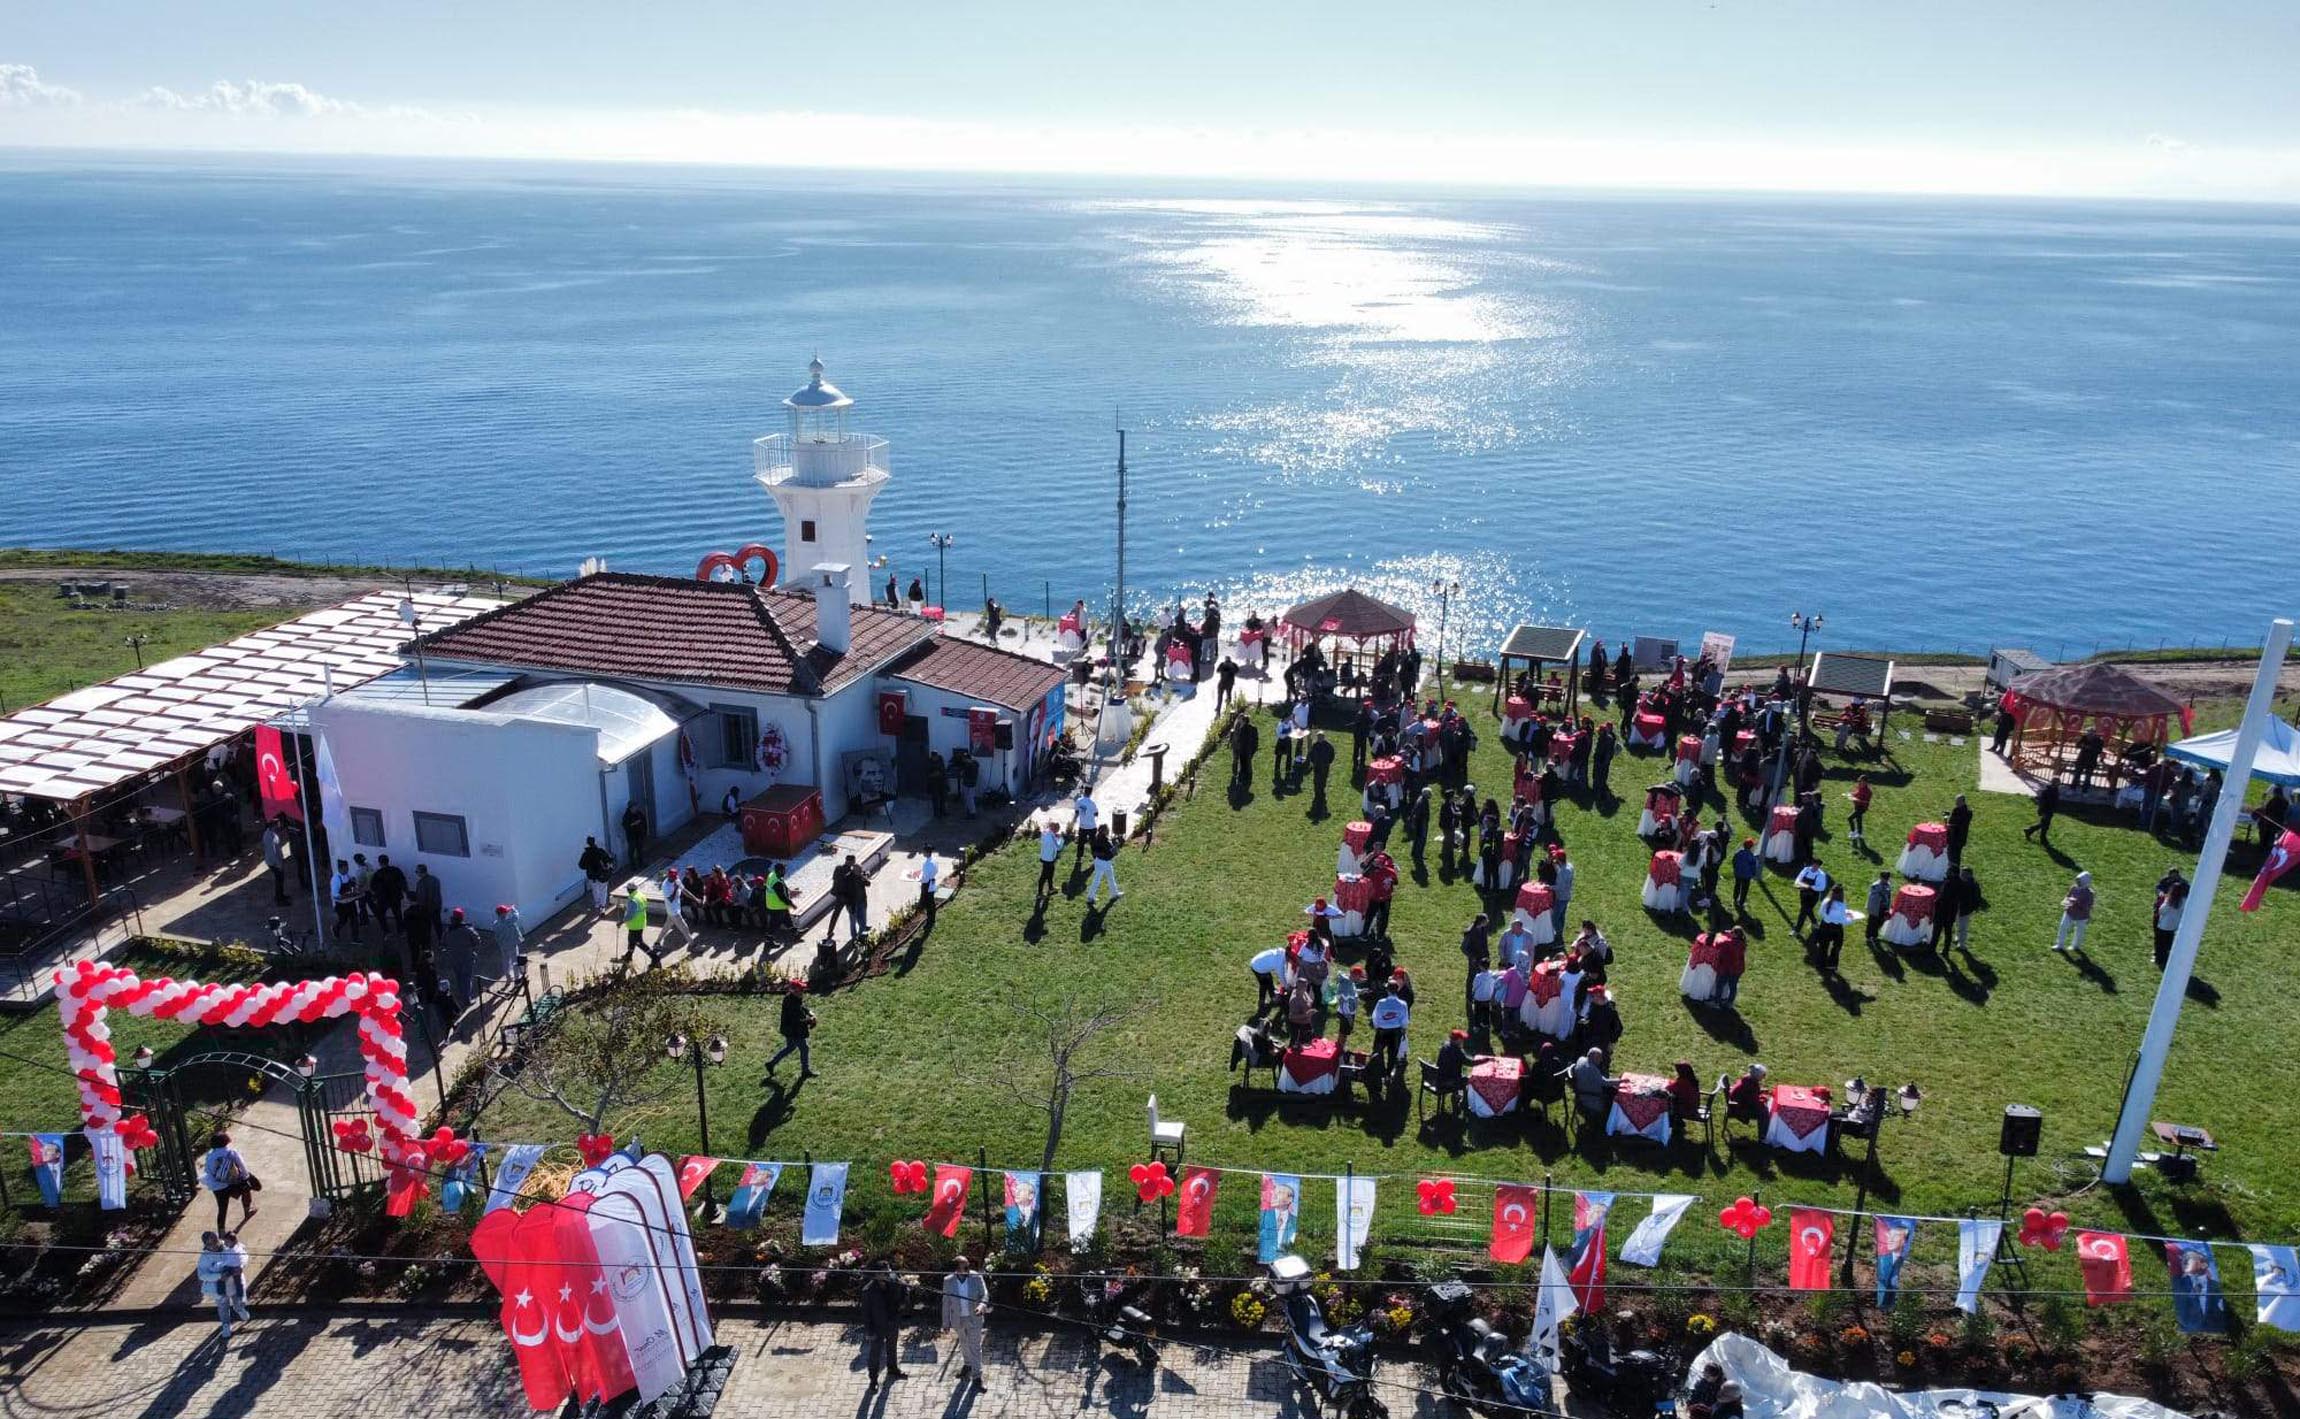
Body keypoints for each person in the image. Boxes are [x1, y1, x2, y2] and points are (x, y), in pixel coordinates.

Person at [941, 1255, 989, 1386]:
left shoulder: (976, 1277)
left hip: (974, 1318)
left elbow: (984, 1294)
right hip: (958, 1319)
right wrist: (945, 1323)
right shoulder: (948, 1281)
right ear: (957, 1269)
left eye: (968, 1265)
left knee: (975, 1346)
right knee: (963, 1343)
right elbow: (946, 1303)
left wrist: (982, 1306)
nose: (968, 1268)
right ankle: (967, 1364)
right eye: (965, 1266)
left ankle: (977, 1376)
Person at [197, 1231, 252, 1341]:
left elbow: (243, 1255)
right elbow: (202, 1275)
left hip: (234, 1282)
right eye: (210, 1243)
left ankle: (240, 1310)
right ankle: (226, 1325)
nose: (214, 1244)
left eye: (215, 1241)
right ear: (206, 1245)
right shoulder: (205, 1257)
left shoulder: (228, 1245)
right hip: (219, 1286)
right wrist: (218, 1276)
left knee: (238, 1301)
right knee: (223, 1307)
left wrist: (241, 1266)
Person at [860, 1262, 909, 1385]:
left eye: (888, 1271)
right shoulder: (868, 1291)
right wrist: (869, 1331)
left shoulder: (894, 1279)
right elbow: (866, 1313)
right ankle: (873, 1378)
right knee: (875, 1352)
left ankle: (892, 1369)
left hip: (893, 1322)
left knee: (892, 1348)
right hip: (878, 1326)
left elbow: (905, 1289)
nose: (888, 1274)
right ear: (876, 1275)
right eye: (884, 1273)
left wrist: (903, 1303)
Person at [202, 1130, 257, 1233]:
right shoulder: (231, 1153)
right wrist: (246, 1178)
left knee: (222, 1208)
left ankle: (221, 1231)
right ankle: (247, 1210)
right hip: (233, 1182)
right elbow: (242, 1167)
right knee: (246, 1190)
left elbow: (208, 1171)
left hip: (217, 1186)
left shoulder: (210, 1156)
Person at [765, 981, 818, 1078]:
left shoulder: (793, 998)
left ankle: (771, 1064)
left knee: (790, 1047)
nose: (802, 991)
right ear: (793, 991)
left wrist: (811, 1013)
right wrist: (810, 1020)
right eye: (800, 990)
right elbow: (797, 1021)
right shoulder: (791, 1003)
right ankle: (805, 1071)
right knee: (804, 1048)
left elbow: (802, 1007)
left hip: (789, 1029)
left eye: (802, 989)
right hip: (793, 1031)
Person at [441, 907, 483, 1013]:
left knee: (459, 977)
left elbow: (443, 943)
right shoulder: (467, 929)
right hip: (467, 957)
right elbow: (477, 941)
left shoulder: (448, 930)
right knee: (467, 978)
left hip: (454, 958)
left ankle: (462, 994)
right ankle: (467, 999)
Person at [1368, 979, 1410, 1078]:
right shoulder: (1403, 1004)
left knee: (1378, 1051)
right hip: (1395, 1032)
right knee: (1392, 1054)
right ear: (1397, 990)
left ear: (1387, 990)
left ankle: (1380, 1070)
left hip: (1382, 1031)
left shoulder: (1381, 1002)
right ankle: (1388, 1073)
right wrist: (1403, 1029)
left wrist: (1378, 1027)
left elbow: (1375, 1017)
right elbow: (1405, 1020)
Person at [1562, 1048, 1617, 1121]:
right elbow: (1605, 1083)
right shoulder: (1592, 1069)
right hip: (1590, 1098)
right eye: (1599, 1058)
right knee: (1613, 1094)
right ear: (1594, 1058)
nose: (1601, 1060)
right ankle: (1610, 1118)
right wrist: (1620, 1081)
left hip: (1582, 1089)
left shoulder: (1581, 1059)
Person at [2154, 869, 2189, 970]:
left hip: (2164, 925)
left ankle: (2159, 959)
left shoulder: (2169, 901)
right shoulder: (2183, 901)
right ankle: (2166, 958)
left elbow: (2161, 911)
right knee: (2168, 942)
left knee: (2160, 942)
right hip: (2174, 925)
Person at [2053, 870, 2094, 954]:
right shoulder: (2074, 888)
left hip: (2082, 916)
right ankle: (2060, 944)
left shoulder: (2090, 894)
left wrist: (2077, 902)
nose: (2078, 883)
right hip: (2070, 912)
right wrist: (2065, 901)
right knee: (2063, 927)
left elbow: (2087, 907)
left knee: (2079, 931)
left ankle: (2075, 946)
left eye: (2080, 882)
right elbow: (2068, 896)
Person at [1249, 945, 1291, 1019]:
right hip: (1258, 968)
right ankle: (1262, 1002)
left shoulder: (1281, 952)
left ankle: (1273, 996)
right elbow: (1281, 976)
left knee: (1269, 980)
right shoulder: (1280, 962)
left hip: (1258, 962)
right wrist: (1287, 987)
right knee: (1264, 985)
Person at [833, 854, 870, 939]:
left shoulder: (860, 877)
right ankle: (854, 937)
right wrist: (847, 902)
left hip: (862, 902)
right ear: (854, 870)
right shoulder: (847, 878)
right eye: (858, 871)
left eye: (860, 871)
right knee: (853, 921)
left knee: (863, 920)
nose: (860, 872)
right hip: (852, 904)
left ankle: (861, 935)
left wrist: (863, 877)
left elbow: (868, 884)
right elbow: (843, 890)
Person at [1814, 884, 1849, 970]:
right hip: (1836, 928)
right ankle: (1832, 964)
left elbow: (1820, 913)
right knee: (1837, 946)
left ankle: (1820, 963)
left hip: (1825, 925)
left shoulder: (1826, 901)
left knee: (1823, 946)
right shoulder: (1842, 905)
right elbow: (1842, 919)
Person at [1086, 826, 1122, 907]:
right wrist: (1116, 844)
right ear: (1104, 831)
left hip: (1098, 861)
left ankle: (1114, 893)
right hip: (1104, 862)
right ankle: (1090, 897)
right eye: (1107, 829)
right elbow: (1113, 853)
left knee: (1109, 877)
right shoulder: (1106, 841)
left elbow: (1094, 850)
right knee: (1099, 880)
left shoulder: (1096, 838)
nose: (1109, 830)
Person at [329, 858, 363, 944]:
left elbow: (352, 883)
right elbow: (335, 894)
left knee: (354, 919)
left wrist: (355, 888)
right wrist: (346, 896)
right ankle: (335, 929)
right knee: (343, 920)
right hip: (341, 905)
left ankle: (355, 938)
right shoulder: (336, 879)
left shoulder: (347, 875)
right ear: (340, 869)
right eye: (345, 869)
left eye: (347, 868)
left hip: (350, 902)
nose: (347, 870)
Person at [579, 836, 617, 912]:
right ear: (594, 842)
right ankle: (602, 906)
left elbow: (581, 865)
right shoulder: (600, 851)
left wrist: (588, 866)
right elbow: (608, 860)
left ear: (587, 843)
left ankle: (597, 903)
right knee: (603, 890)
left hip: (592, 876)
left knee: (595, 890)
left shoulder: (586, 854)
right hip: (602, 875)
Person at [260, 819, 292, 906]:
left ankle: (280, 895)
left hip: (274, 861)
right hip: (274, 863)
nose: (279, 825)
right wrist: (278, 864)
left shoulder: (270, 833)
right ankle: (279, 899)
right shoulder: (270, 836)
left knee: (280, 880)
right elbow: (272, 853)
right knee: (279, 880)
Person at [1793, 859, 1830, 935]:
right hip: (1803, 894)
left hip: (1813, 896)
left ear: (1819, 866)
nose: (1814, 867)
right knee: (1807, 910)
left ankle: (1796, 930)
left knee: (1803, 911)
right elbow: (1798, 880)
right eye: (1814, 864)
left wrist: (1808, 887)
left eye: (1817, 866)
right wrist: (1800, 885)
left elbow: (1821, 887)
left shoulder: (1821, 875)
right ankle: (1814, 922)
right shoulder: (1806, 870)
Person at [623, 888, 658, 967]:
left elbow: (630, 915)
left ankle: (655, 958)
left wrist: (621, 922)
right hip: (641, 921)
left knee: (639, 943)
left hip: (635, 924)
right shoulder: (640, 895)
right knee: (631, 939)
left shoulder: (633, 899)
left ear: (629, 890)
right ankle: (628, 956)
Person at [491, 903, 525, 982]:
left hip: (503, 946)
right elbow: (516, 916)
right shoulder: (509, 921)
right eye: (506, 912)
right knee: (515, 961)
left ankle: (508, 977)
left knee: (505, 961)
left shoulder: (495, 924)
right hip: (512, 945)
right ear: (502, 914)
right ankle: (517, 978)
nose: (507, 913)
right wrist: (514, 910)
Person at [1229, 712, 1260, 791]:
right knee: (1242, 763)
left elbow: (1252, 740)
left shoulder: (1246, 729)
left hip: (1244, 750)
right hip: (1242, 749)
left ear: (1244, 721)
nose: (1240, 721)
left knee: (1245, 765)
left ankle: (1244, 778)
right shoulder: (1240, 726)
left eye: (1241, 720)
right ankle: (1240, 776)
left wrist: (1253, 748)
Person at [2024, 779, 2060, 843]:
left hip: (2050, 809)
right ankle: (2041, 837)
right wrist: (2041, 810)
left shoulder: (2055, 790)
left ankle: (2031, 831)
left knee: (2044, 823)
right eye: (2058, 782)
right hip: (2046, 809)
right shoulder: (2047, 791)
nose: (2059, 784)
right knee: (2045, 824)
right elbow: (2042, 802)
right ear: (2054, 783)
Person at [1071, 789, 1099, 869]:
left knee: (1081, 843)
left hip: (1082, 826)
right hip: (1091, 827)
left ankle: (1079, 858)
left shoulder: (1079, 801)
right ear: (1090, 793)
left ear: (1084, 791)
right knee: (1093, 844)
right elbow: (1096, 814)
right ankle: (1095, 859)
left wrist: (1074, 821)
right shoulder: (1092, 803)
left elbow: (1076, 812)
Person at [1731, 837, 1759, 916]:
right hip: (1747, 875)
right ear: (1751, 847)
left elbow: (1734, 861)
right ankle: (1741, 902)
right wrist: (1753, 874)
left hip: (1738, 873)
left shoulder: (1738, 853)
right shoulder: (1751, 856)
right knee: (1745, 888)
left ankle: (1735, 898)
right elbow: (1753, 867)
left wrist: (1735, 868)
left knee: (1737, 885)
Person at [1864, 870, 1892, 949]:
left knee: (1880, 921)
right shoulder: (1875, 885)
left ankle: (1875, 935)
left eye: (1887, 878)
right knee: (1872, 922)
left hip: (1884, 907)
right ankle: (1869, 936)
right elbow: (1872, 897)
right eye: (1884, 878)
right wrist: (1881, 895)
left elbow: (1889, 896)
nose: (1886, 880)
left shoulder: (1888, 885)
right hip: (1875, 907)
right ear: (1881, 877)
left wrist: (1888, 906)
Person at [1946, 794, 1973, 865]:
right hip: (1958, 837)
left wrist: (1949, 825)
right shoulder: (1967, 811)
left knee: (1954, 855)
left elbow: (1958, 824)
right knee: (1955, 855)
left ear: (1962, 801)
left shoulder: (1965, 812)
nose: (1956, 803)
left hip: (1956, 837)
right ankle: (1954, 868)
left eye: (1957, 801)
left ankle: (1953, 869)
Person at [621, 798, 648, 869]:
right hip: (631, 837)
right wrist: (633, 824)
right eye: (634, 806)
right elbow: (625, 825)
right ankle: (633, 866)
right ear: (630, 807)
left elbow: (644, 822)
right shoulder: (627, 816)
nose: (636, 808)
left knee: (640, 850)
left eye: (636, 806)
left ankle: (641, 863)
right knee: (631, 851)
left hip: (639, 835)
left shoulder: (639, 813)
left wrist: (644, 832)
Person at [1847, 774, 1872, 847]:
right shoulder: (1860, 787)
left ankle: (1853, 832)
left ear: (1866, 782)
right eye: (1860, 781)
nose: (1861, 783)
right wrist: (1850, 794)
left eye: (1862, 782)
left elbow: (1866, 801)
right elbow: (1857, 793)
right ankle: (1860, 834)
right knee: (1859, 819)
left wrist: (1857, 800)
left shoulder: (1868, 791)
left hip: (1862, 808)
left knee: (1849, 818)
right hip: (1857, 806)